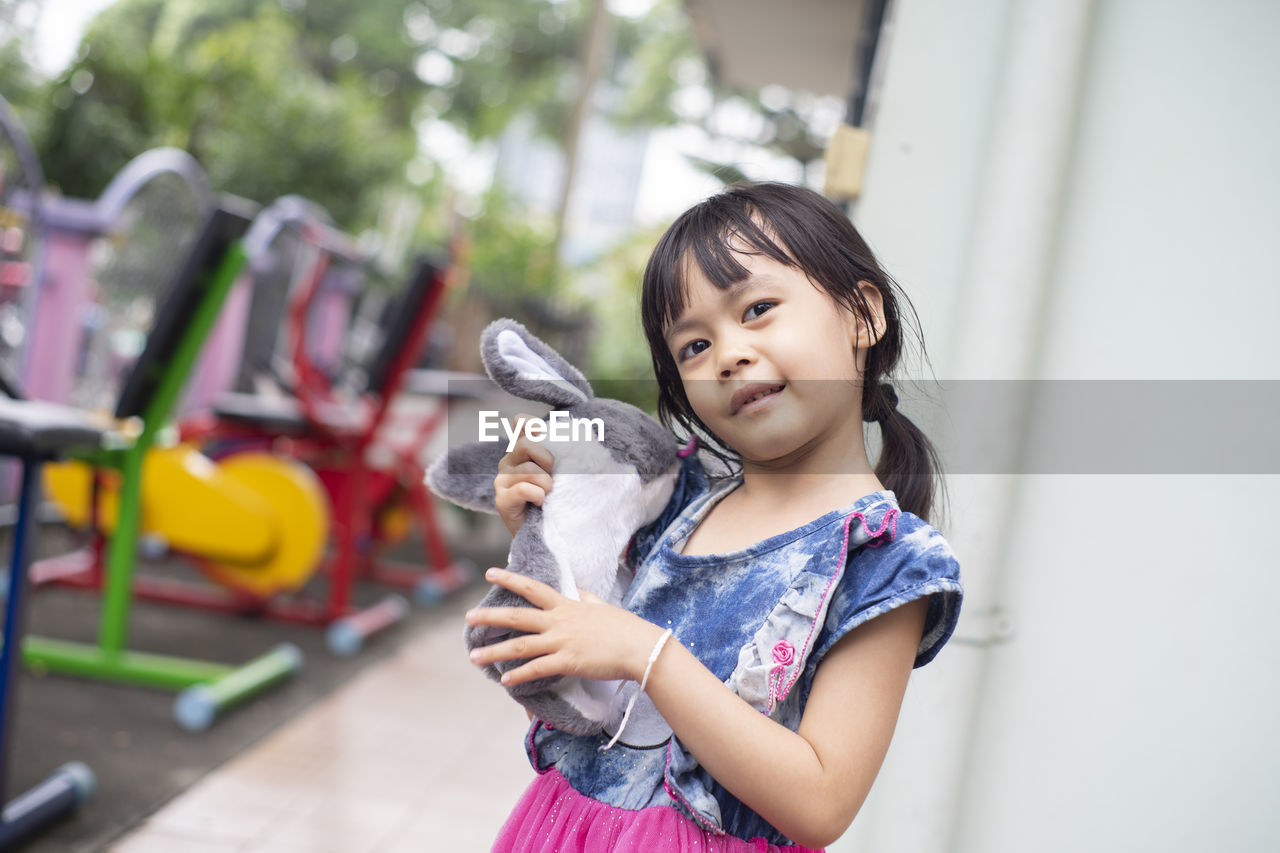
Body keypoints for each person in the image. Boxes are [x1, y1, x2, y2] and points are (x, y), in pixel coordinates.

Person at [465, 181, 963, 852]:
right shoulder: (683, 499)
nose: (728, 354)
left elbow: (821, 802)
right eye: (693, 347)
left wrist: (647, 655)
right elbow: (593, 661)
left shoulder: (886, 560)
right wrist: (540, 529)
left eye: (758, 308)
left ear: (861, 315)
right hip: (562, 829)